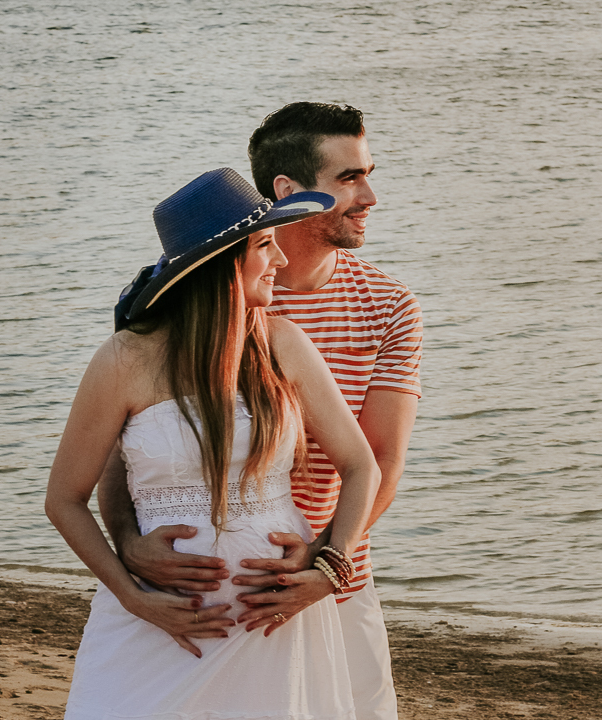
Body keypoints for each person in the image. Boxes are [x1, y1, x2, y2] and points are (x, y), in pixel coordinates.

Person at [99, 103, 422, 720]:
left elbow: (380, 458)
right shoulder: (194, 307)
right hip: (195, 581)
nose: (370, 195)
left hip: (332, 569)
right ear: (288, 191)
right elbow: (129, 444)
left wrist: (325, 561)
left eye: (368, 173)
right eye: (349, 178)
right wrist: (129, 544)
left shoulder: (388, 304)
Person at [46, 167, 380, 720]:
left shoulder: (281, 344)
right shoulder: (124, 360)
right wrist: (134, 597)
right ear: (222, 263)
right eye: (266, 245)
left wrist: (327, 571)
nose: (281, 261)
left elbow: (360, 467)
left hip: (270, 619)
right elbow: (63, 498)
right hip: (158, 622)